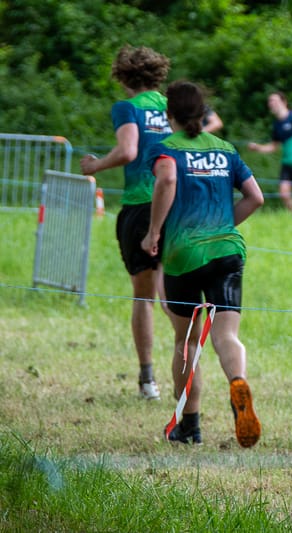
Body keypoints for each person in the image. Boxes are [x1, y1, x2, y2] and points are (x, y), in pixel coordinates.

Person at [140, 80, 265, 448]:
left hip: (183, 255)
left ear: (169, 115)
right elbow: (255, 197)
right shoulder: (225, 149)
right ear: (203, 112)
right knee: (226, 336)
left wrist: (153, 232)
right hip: (227, 251)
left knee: (186, 341)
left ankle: (190, 425)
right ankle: (237, 382)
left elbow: (167, 179)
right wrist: (223, 225)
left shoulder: (166, 148)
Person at [80, 45, 173, 401]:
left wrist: (96, 166)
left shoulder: (127, 108)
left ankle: (148, 380)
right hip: (177, 203)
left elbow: (128, 150)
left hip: (141, 205)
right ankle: (190, 368)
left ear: (122, 77)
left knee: (145, 296)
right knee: (174, 293)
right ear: (158, 74)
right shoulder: (173, 106)